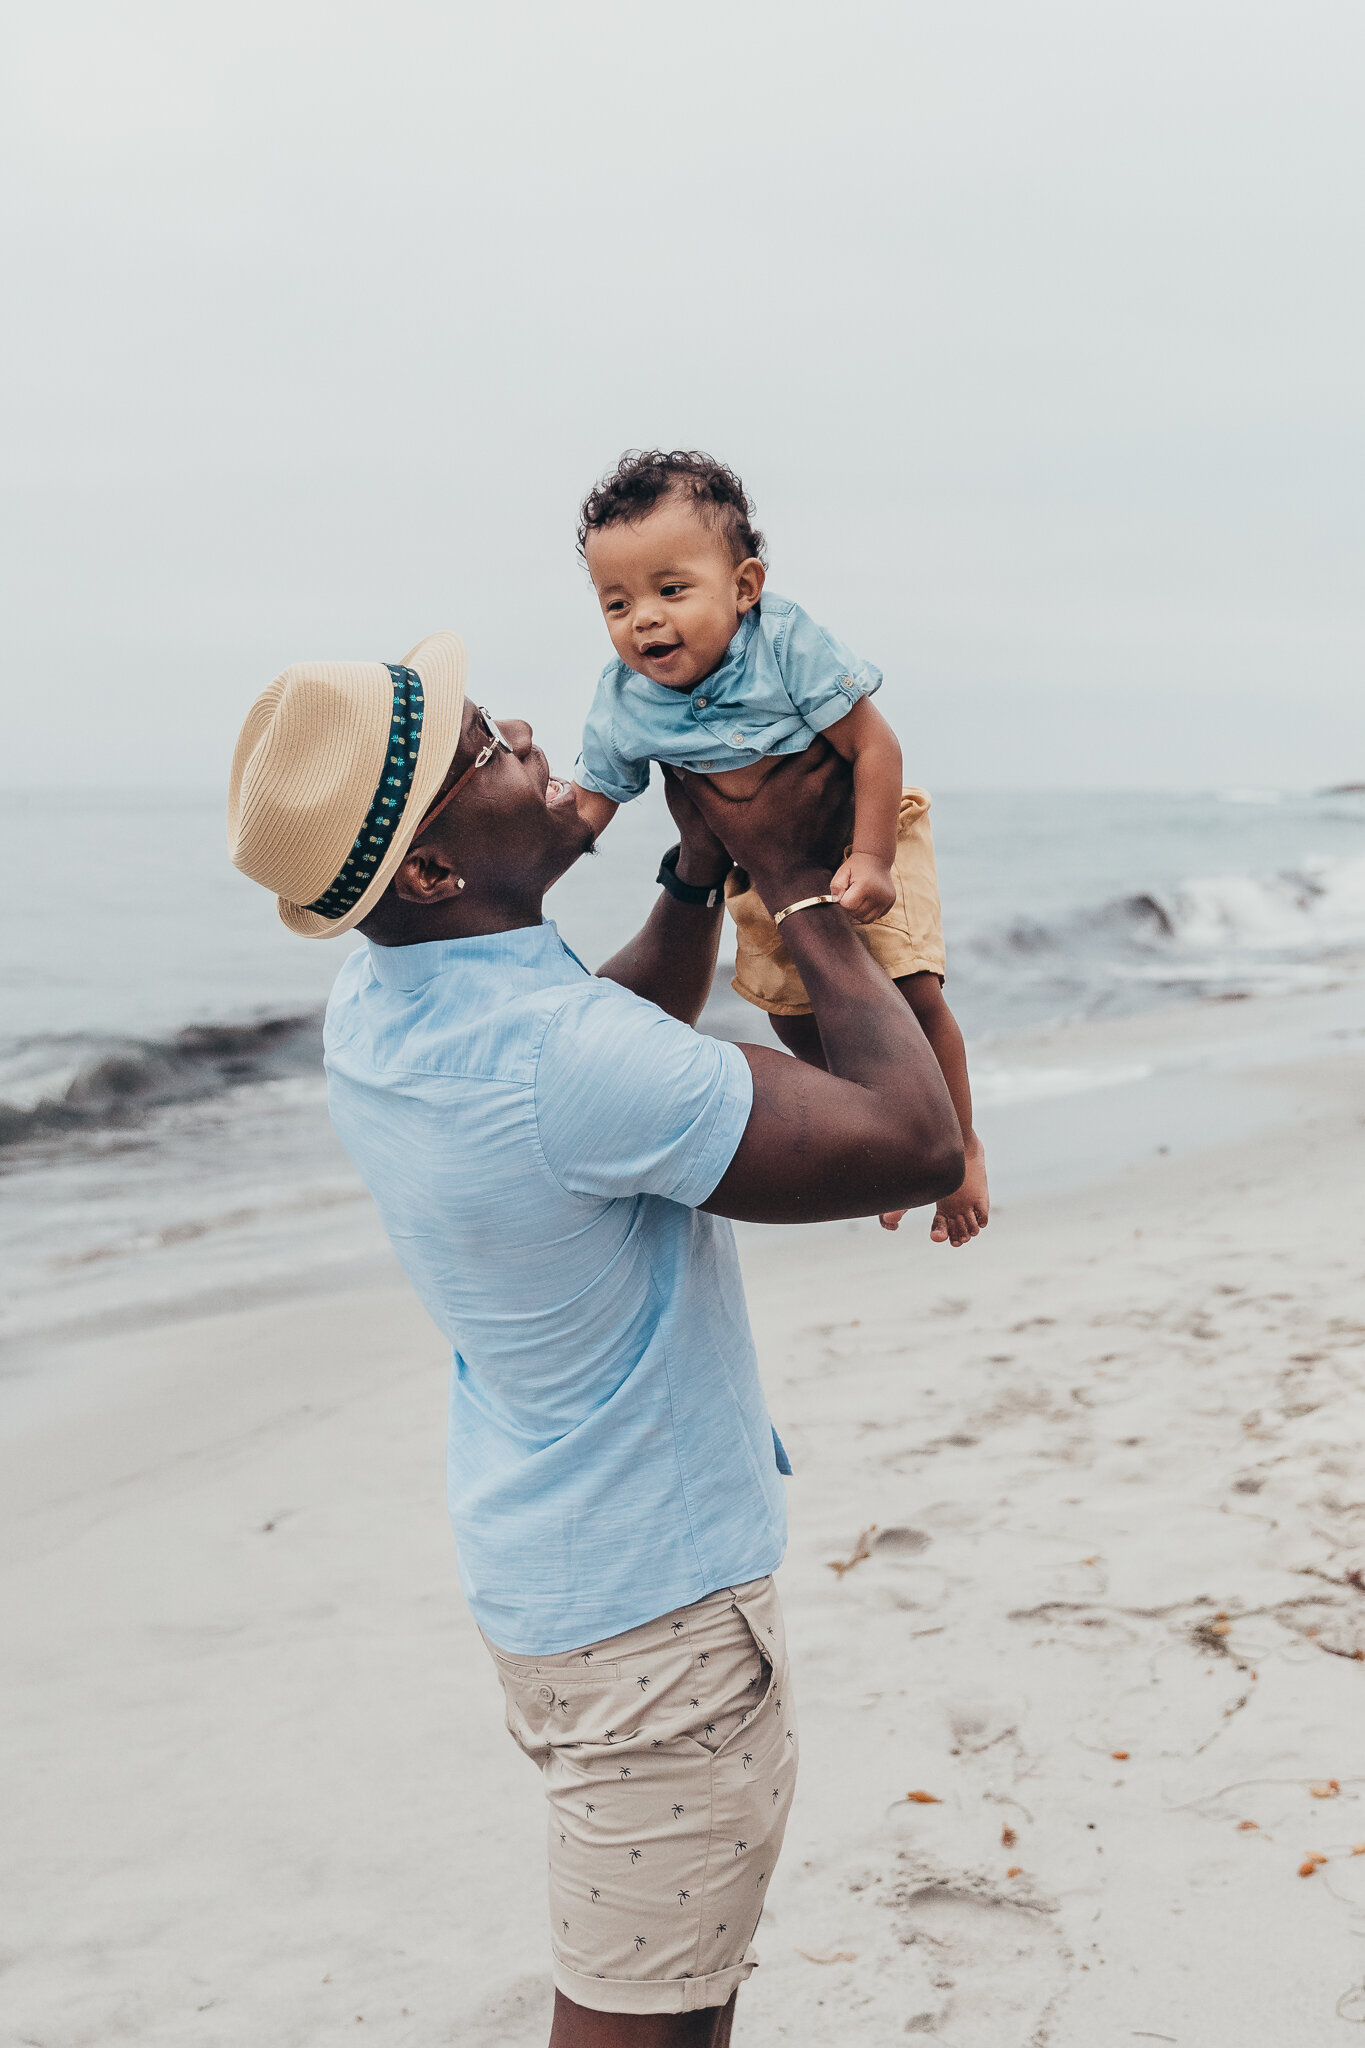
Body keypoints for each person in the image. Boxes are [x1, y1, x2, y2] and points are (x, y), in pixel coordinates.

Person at [227, 631, 964, 2045]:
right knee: (643, 2021)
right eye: (481, 751)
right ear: (434, 871)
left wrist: (694, 872)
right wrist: (801, 887)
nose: (520, 729)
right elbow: (913, 1139)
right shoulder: (560, 1064)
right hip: (660, 1628)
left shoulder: (386, 1005)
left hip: (555, 1573)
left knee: (664, 1993)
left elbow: (609, 1041)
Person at [571, 449, 989, 1247]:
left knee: (913, 994)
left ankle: (957, 1146)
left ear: (744, 586)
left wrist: (867, 859)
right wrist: (540, 853)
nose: (644, 619)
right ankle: (884, 1131)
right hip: (754, 876)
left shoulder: (785, 643)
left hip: (863, 837)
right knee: (797, 1017)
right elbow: (594, 800)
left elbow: (872, 746)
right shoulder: (623, 699)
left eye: (670, 590)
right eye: (615, 602)